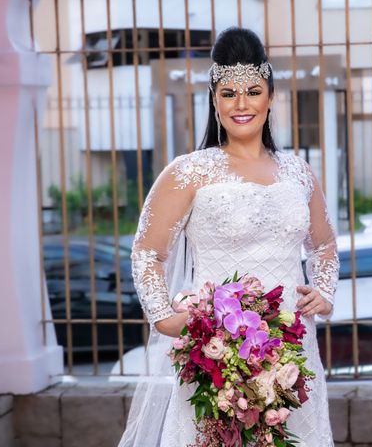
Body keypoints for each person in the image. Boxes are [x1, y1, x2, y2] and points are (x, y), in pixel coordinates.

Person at [118, 27, 339, 446]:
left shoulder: (299, 173)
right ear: (214, 99)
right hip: (216, 348)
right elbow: (147, 251)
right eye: (229, 93)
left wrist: (324, 292)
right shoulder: (188, 172)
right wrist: (165, 318)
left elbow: (325, 245)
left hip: (295, 352)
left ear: (271, 96)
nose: (242, 104)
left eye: (253, 91)